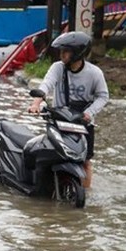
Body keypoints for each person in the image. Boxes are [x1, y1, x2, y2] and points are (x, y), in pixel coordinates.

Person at [27, 31, 109, 189]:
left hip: (83, 123)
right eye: (61, 50)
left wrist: (89, 113)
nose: (62, 54)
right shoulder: (57, 68)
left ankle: (86, 192)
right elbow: (46, 85)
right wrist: (36, 103)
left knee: (85, 162)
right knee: (51, 155)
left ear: (78, 53)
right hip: (59, 120)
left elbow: (103, 97)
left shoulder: (95, 73)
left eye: (66, 51)